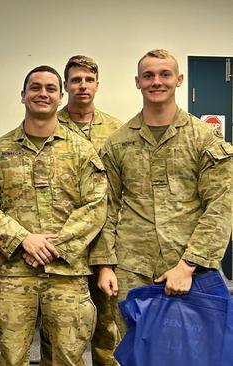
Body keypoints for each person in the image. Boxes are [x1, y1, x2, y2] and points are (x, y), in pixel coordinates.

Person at [0, 65, 107, 366]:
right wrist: (23, 240)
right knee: (11, 356)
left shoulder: (82, 151)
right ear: (22, 96)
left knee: (68, 358)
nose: (42, 93)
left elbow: (96, 205)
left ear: (60, 96)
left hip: (67, 275)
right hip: (16, 274)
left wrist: (53, 246)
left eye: (50, 88)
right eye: (35, 87)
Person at [95, 49, 233, 335]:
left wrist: (188, 265)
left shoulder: (203, 139)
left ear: (179, 79)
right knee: (136, 351)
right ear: (138, 82)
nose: (156, 81)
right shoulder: (117, 143)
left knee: (191, 351)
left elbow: (221, 205)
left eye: (165, 74)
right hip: (132, 270)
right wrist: (105, 265)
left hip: (192, 269)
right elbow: (106, 207)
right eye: (148, 75)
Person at [39, 55, 122, 366]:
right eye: (76, 80)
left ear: (97, 85)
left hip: (105, 243)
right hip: (61, 244)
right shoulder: (48, 125)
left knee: (108, 327)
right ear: (66, 86)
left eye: (88, 80)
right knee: (58, 330)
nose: (82, 86)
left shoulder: (116, 130)